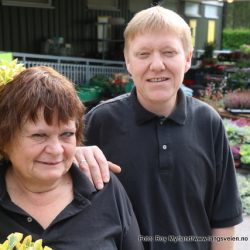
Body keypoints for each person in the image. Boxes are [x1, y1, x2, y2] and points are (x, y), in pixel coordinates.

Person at [76, 6, 243, 250]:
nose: (157, 65)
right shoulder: (100, 122)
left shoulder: (209, 123)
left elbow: (224, 218)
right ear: (128, 61)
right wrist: (73, 155)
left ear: (187, 59)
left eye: (169, 52)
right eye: (143, 54)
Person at [0, 66, 143, 250]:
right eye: (39, 136)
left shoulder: (103, 188)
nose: (56, 149)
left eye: (66, 134)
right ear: (5, 139)